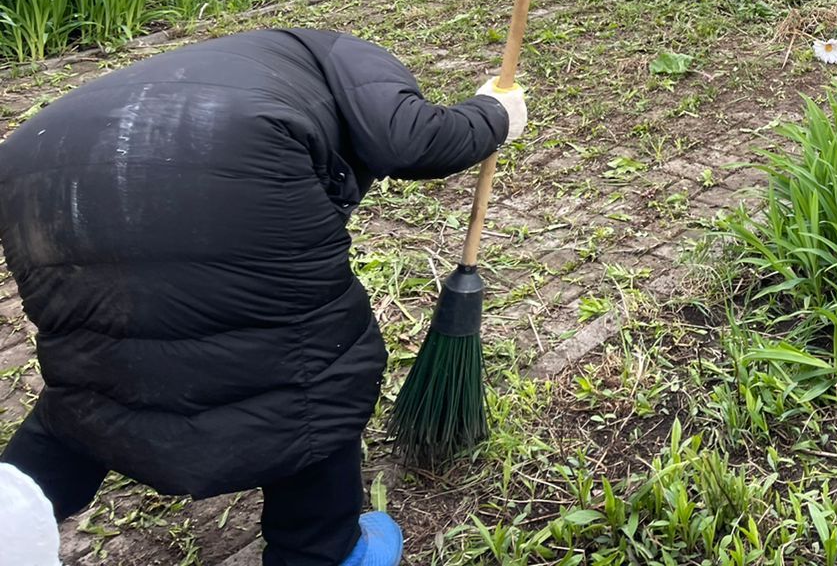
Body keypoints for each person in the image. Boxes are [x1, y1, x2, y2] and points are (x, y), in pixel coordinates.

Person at [0, 30, 528, 566]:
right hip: (222, 151)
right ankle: (320, 550)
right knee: (304, 372)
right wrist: (495, 114)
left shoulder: (235, 60)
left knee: (93, 373)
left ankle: (8, 517)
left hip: (36, 165)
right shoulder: (351, 52)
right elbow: (410, 139)